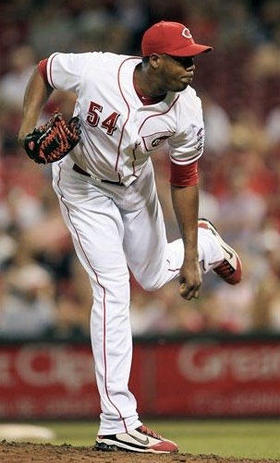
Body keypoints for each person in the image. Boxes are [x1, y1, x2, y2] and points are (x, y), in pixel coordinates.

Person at [18, 20, 242, 454]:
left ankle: (209, 242)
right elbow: (45, 70)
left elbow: (185, 178)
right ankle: (118, 422)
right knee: (113, 287)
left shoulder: (187, 108)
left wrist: (194, 254)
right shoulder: (99, 71)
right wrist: (29, 128)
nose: (191, 66)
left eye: (194, 57)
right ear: (154, 60)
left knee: (156, 274)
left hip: (135, 187)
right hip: (82, 187)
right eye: (183, 58)